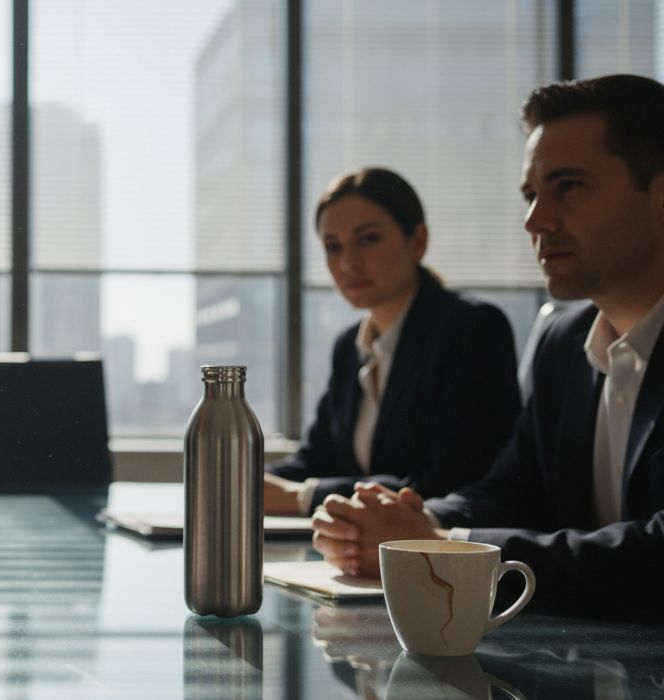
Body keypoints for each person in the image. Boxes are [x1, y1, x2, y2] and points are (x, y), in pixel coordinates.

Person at [312, 74, 664, 623]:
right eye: (531, 195)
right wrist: (405, 523)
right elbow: (510, 488)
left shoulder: (470, 326)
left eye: (568, 186)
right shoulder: (563, 341)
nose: (534, 221)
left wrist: (448, 545)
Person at [264, 168, 522, 515]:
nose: (347, 262)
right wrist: (248, 481)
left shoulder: (471, 327)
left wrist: (304, 497)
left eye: (368, 239)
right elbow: (317, 458)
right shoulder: (348, 346)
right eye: (332, 246)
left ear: (417, 241)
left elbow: (457, 479)